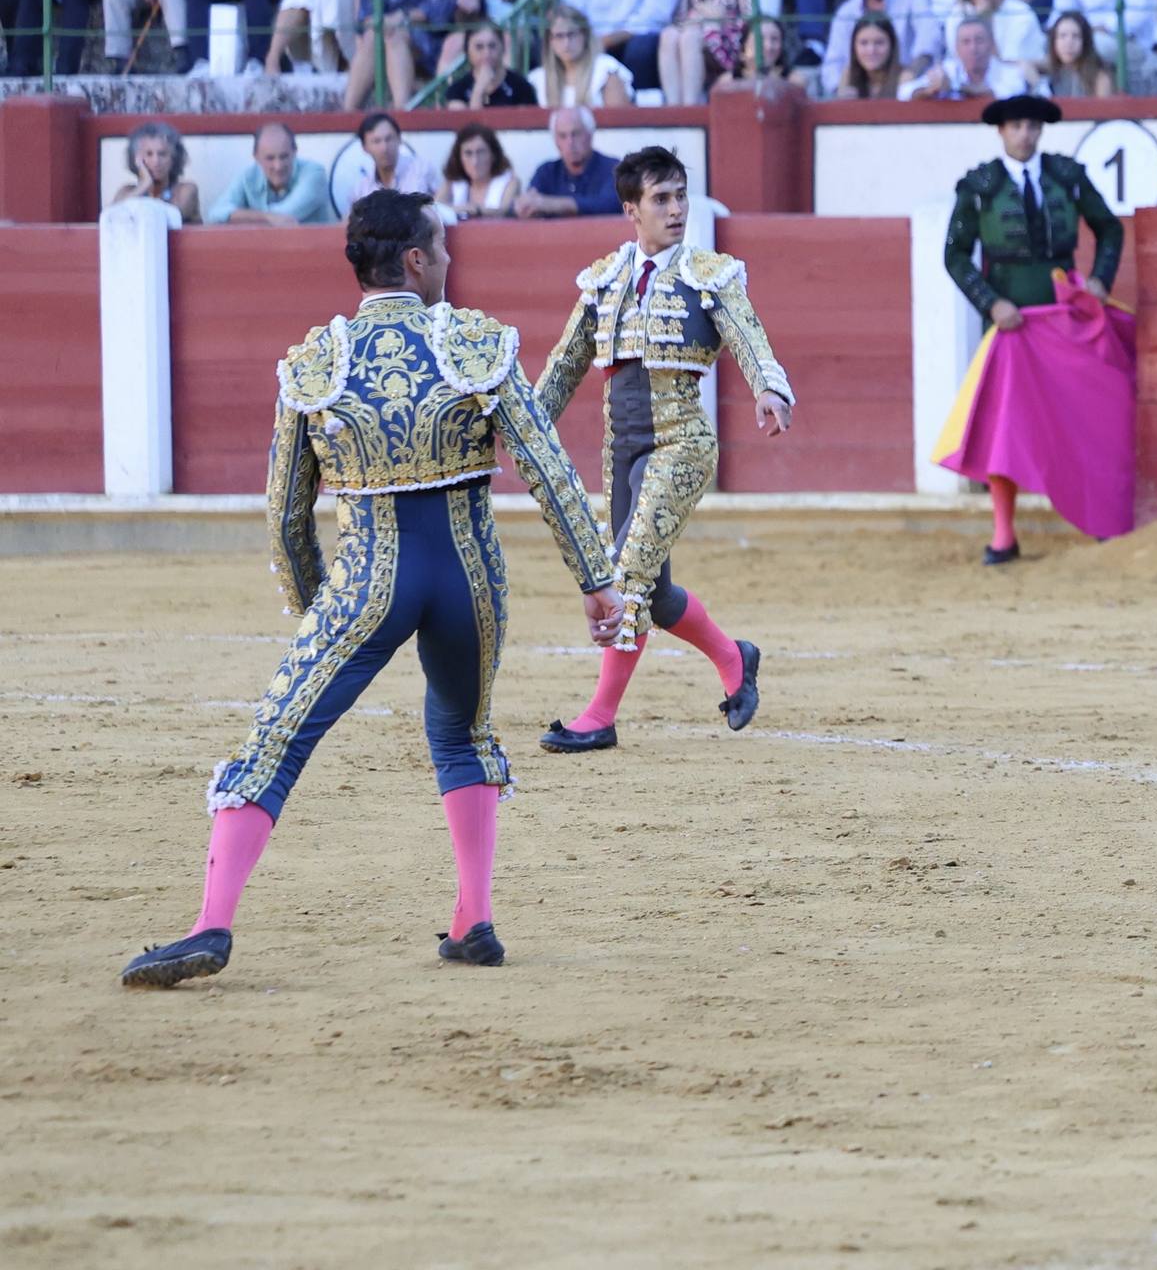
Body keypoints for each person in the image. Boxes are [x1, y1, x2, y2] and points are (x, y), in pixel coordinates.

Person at [119, 191, 623, 988]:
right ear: (415, 260)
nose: (450, 260)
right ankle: (475, 918)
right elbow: (550, 469)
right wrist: (596, 580)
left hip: (369, 580)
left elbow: (286, 513)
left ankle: (210, 923)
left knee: (276, 743)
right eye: (442, 248)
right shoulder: (473, 341)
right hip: (470, 575)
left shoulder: (317, 364)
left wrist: (315, 601)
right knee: (463, 735)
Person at [528, 148, 789, 754]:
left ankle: (600, 715)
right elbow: (565, 364)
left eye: (680, 196)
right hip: (621, 450)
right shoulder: (603, 280)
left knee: (626, 575)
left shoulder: (709, 273)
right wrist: (524, 424)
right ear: (631, 210)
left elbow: (748, 334)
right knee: (657, 589)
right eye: (660, 200)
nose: (676, 210)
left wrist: (769, 388)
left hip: (681, 445)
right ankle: (735, 657)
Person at [936, 93, 1125, 558]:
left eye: (1033, 127)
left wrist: (1100, 279)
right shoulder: (979, 186)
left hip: (1064, 320)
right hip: (1011, 325)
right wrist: (991, 302)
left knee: (1083, 418)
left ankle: (1098, 514)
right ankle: (1004, 533)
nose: (1026, 134)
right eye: (1017, 126)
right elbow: (955, 256)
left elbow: (1111, 229)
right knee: (1006, 428)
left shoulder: (1067, 176)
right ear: (1001, 132)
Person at [516, 104, 624, 217]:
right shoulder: (546, 171)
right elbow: (529, 205)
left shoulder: (613, 168)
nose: (570, 143)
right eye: (563, 136)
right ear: (556, 141)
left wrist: (551, 204)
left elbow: (609, 205)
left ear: (590, 135)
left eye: (576, 134)